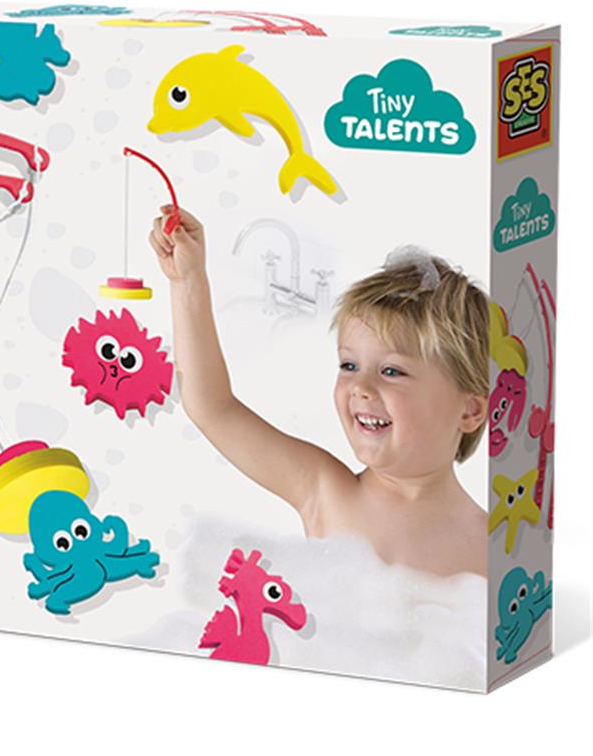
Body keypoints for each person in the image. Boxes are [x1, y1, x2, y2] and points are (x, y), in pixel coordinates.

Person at [149, 205, 489, 577]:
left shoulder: (490, 544)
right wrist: (187, 281)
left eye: (392, 371)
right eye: (349, 365)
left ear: (470, 411)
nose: (360, 387)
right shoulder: (324, 491)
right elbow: (213, 408)